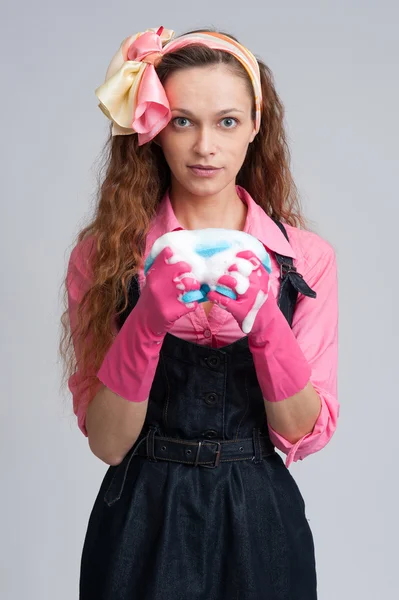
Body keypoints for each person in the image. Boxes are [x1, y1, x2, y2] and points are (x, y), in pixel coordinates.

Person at [60, 25, 339, 600]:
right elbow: (110, 444)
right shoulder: (103, 257)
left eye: (227, 121)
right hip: (141, 519)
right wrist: (145, 323)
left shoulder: (306, 259)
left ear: (256, 127)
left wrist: (265, 323)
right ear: (156, 129)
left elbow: (301, 432)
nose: (205, 146)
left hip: (260, 522)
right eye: (183, 120)